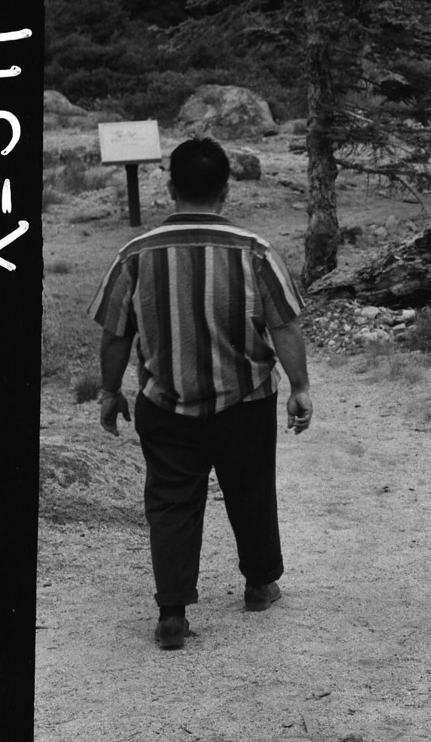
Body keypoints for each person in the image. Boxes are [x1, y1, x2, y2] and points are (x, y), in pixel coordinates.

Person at [88, 137, 313, 650]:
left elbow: (115, 333)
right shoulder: (255, 251)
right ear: (225, 190)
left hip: (165, 406)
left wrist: (108, 391)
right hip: (246, 402)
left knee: (171, 503)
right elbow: (286, 327)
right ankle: (259, 585)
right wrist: (299, 388)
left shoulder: (135, 254)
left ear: (170, 188)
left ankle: (171, 611)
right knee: (251, 490)